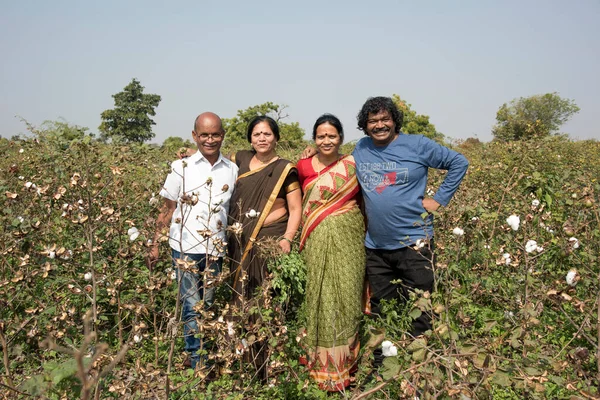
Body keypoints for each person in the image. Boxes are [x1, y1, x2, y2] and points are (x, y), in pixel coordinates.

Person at [303, 97, 468, 367]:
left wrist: (438, 200)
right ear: (365, 126)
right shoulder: (362, 147)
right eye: (373, 121)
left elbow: (459, 163)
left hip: (415, 245)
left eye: (384, 119)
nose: (379, 125)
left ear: (394, 120)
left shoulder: (418, 144)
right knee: (382, 313)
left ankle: (419, 370)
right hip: (376, 249)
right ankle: (384, 370)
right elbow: (337, 163)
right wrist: (314, 153)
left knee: (421, 310)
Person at [148, 112, 238, 369]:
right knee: (191, 305)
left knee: (206, 304)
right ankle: (200, 362)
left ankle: (195, 353)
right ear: (195, 136)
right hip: (184, 247)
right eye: (204, 135)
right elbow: (167, 209)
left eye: (215, 134)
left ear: (222, 135)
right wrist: (155, 242)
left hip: (215, 249)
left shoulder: (232, 170)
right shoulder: (181, 167)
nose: (210, 140)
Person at [227, 115, 302, 379]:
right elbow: (211, 155)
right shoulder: (241, 160)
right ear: (250, 138)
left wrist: (288, 238)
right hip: (238, 243)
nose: (262, 138)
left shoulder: (285, 169)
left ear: (276, 137)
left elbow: (295, 210)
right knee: (241, 298)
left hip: (270, 242)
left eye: (267, 134)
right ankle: (244, 364)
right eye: (257, 134)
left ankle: (270, 364)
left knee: (266, 301)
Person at [296, 114, 365, 391]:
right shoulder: (301, 166)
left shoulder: (354, 164)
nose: (326, 140)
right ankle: (317, 368)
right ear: (314, 139)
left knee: (348, 297)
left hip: (350, 242)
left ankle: (347, 367)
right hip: (314, 243)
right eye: (321, 136)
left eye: (332, 136)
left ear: (341, 138)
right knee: (316, 296)